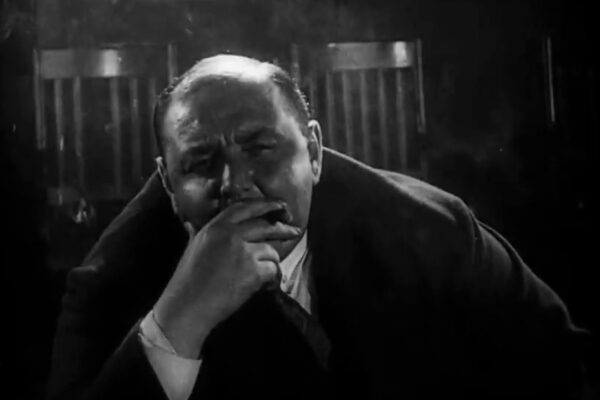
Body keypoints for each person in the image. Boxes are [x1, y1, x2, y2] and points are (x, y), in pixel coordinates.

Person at [47, 54, 591, 400]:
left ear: (313, 151)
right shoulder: (110, 284)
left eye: (261, 148)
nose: (236, 184)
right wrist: (179, 320)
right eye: (200, 163)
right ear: (168, 183)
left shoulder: (429, 230)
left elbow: (567, 366)